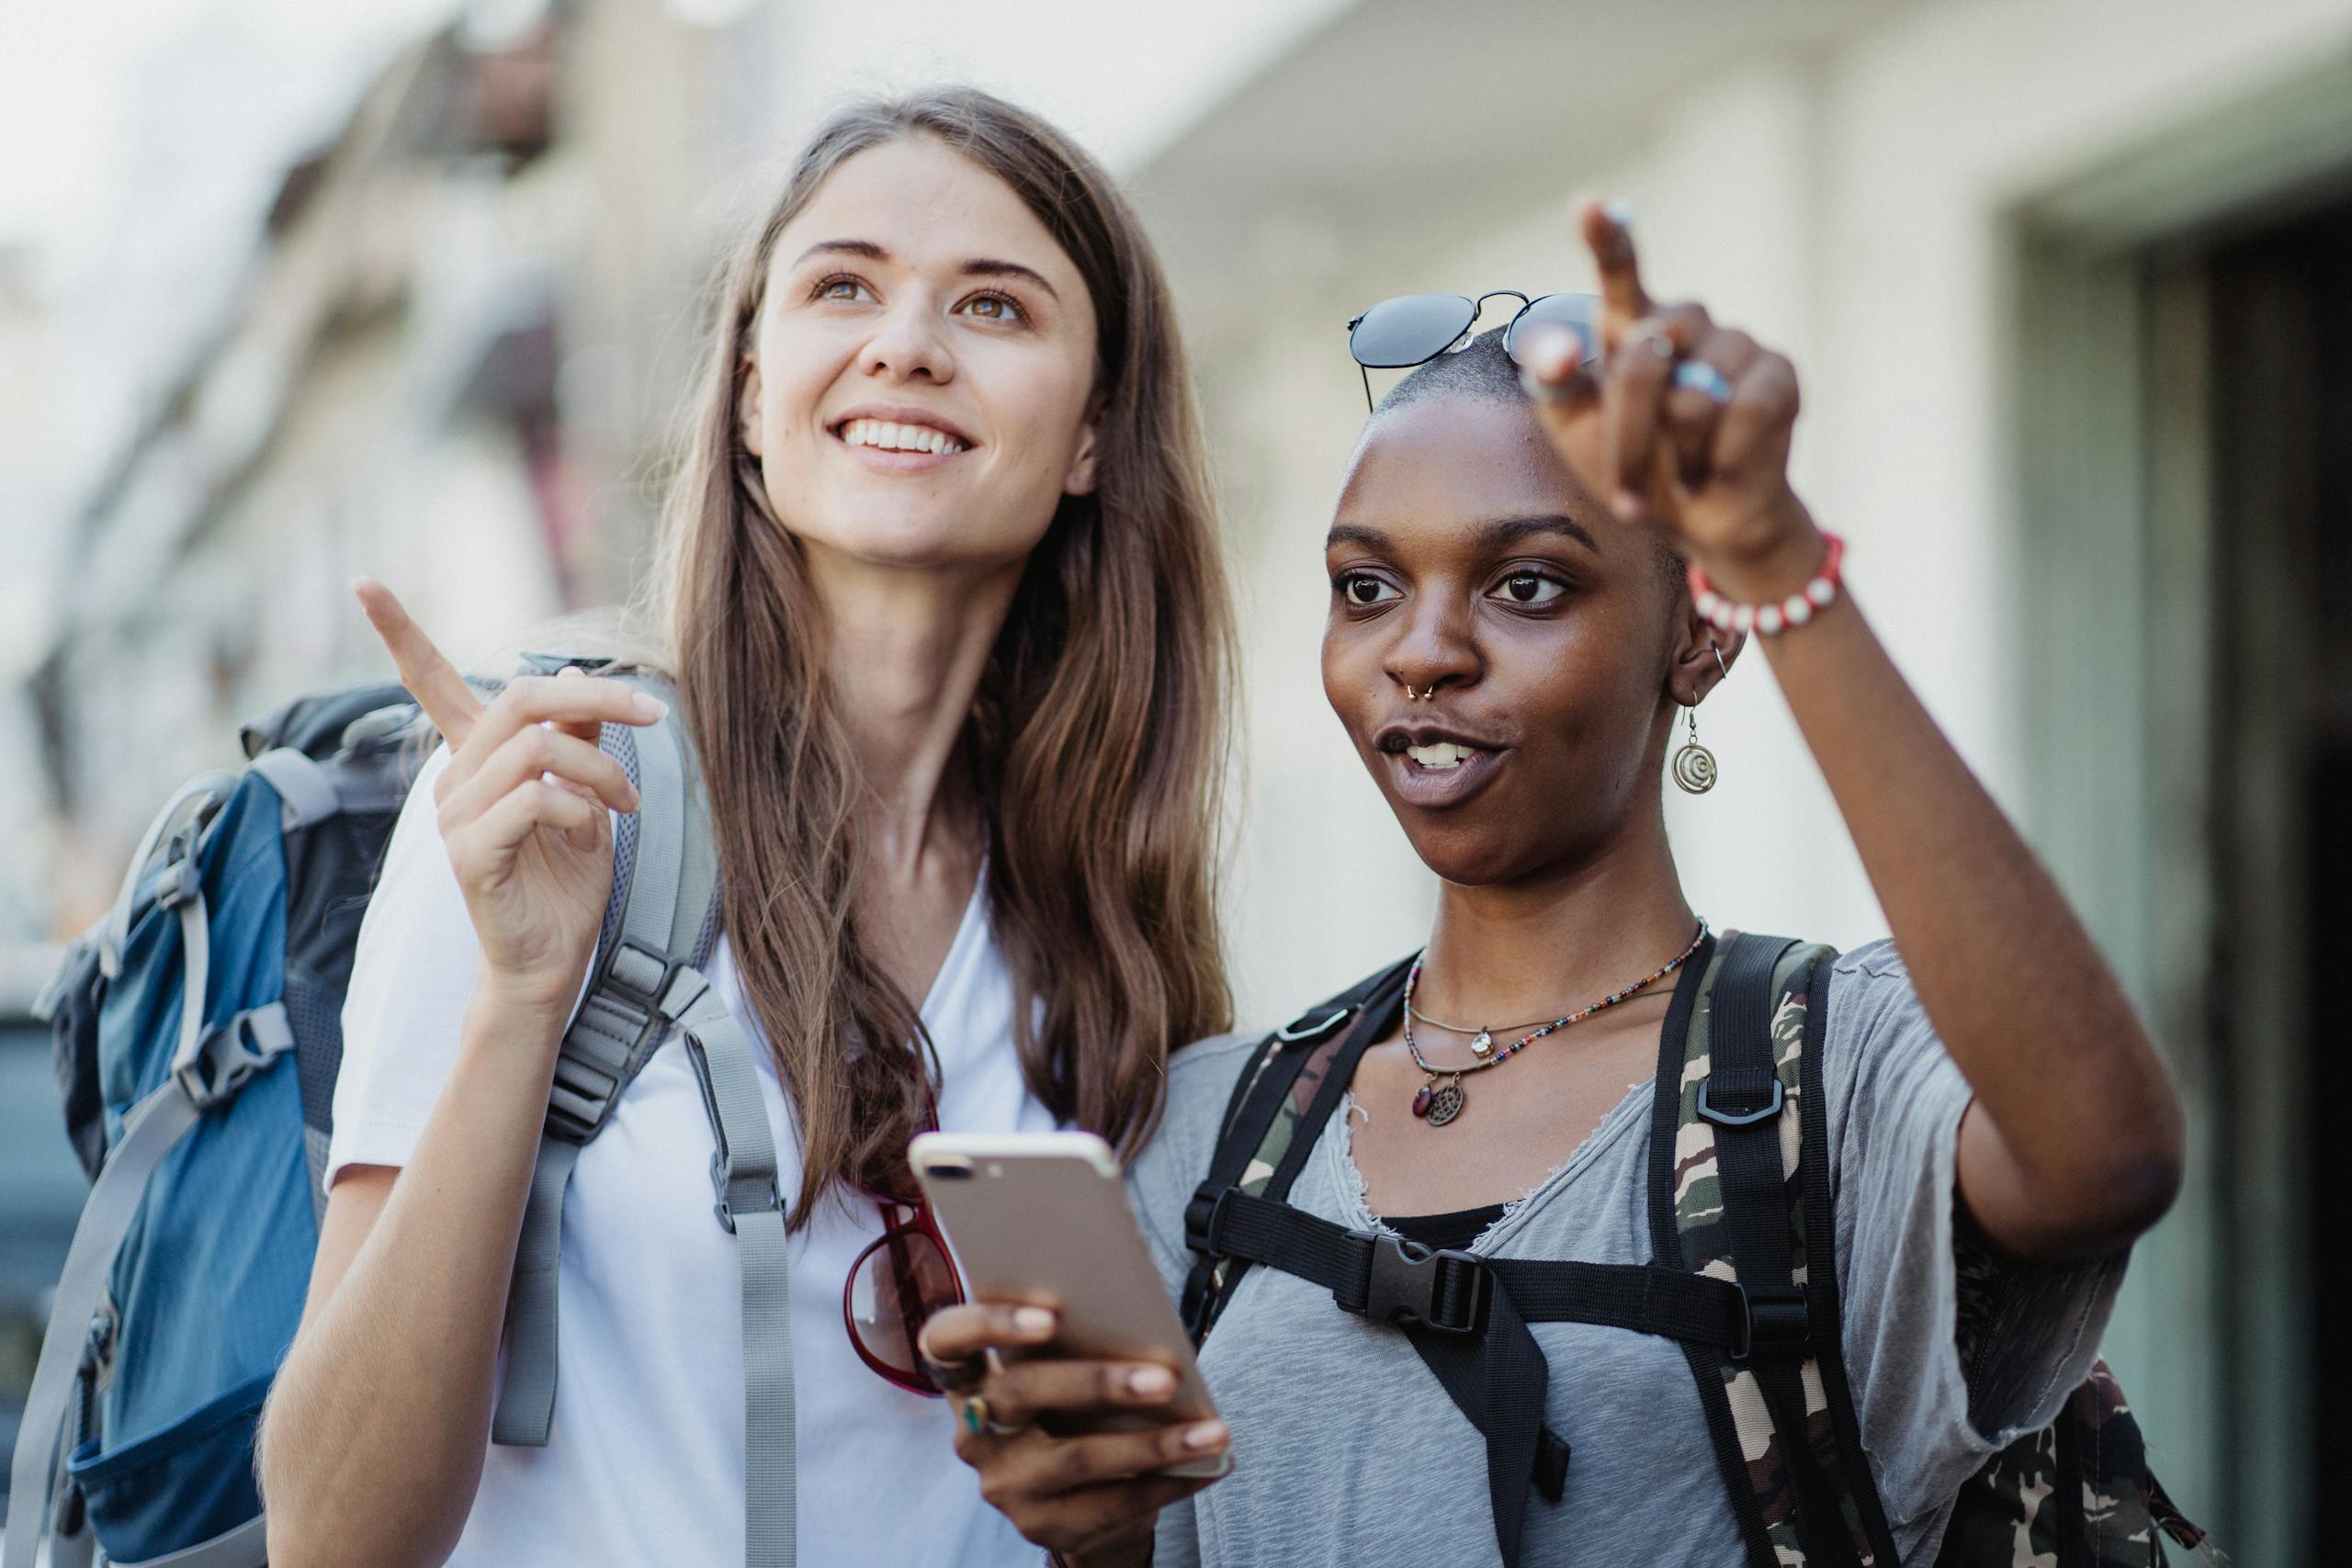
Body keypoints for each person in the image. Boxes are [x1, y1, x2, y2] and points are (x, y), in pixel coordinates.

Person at [919, 201, 2186, 1566]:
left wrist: (1771, 556)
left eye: (1526, 586)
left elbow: (2104, 1155)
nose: (1422, 652)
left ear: (1699, 637)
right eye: (1365, 589)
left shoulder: (1834, 1082)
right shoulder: (1216, 1131)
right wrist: (1091, 1533)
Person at [256, 87, 1234, 1567]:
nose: (907, 343)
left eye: (994, 305)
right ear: (753, 393)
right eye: (844, 286)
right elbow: (331, 1539)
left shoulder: (1101, 906)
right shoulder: (563, 790)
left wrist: (1106, 1514)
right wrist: (523, 998)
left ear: (1094, 433)